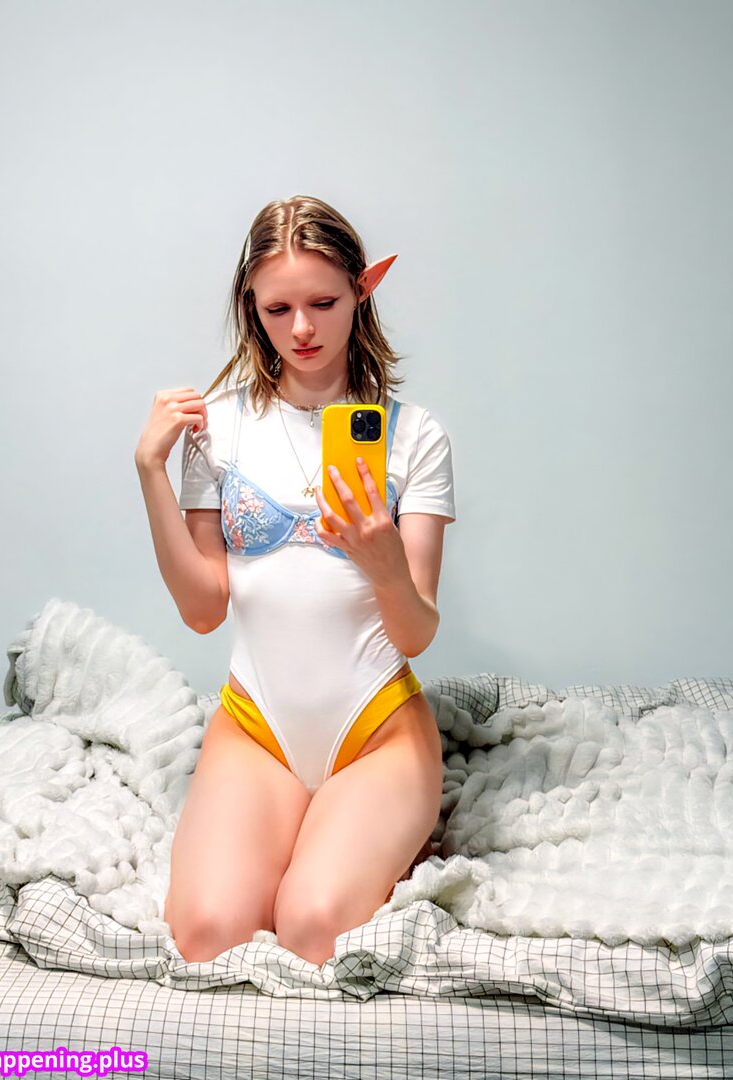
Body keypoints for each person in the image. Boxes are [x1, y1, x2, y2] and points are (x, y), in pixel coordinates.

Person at [134, 194, 456, 967]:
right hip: (259, 729)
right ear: (251, 304)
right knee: (206, 934)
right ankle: (318, 825)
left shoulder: (415, 436)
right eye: (278, 308)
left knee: (311, 927)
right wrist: (150, 471)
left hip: (376, 731)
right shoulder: (217, 429)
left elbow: (416, 632)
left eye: (324, 303)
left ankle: (378, 829)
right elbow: (203, 610)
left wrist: (383, 562)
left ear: (362, 290)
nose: (302, 328)